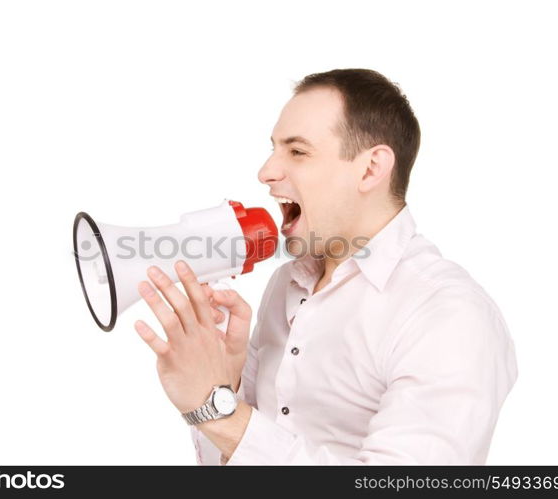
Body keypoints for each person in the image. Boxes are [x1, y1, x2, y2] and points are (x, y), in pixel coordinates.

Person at [133, 68, 518, 465]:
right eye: (274, 149)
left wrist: (220, 413)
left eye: (297, 151)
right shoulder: (288, 283)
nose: (266, 172)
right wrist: (223, 385)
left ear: (370, 169)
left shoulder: (448, 314)